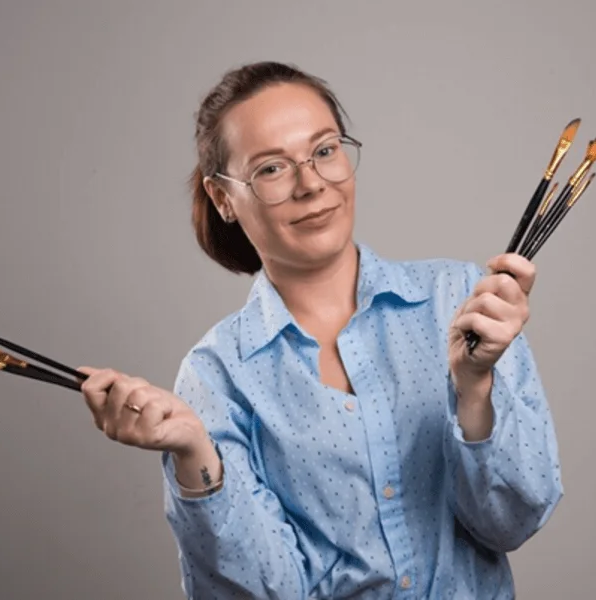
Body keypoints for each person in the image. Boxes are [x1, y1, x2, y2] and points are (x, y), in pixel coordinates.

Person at [76, 61, 563, 599]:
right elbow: (264, 591)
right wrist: (195, 455)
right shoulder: (218, 374)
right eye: (271, 169)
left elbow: (512, 522)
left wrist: (474, 389)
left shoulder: (463, 301)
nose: (311, 185)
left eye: (325, 150)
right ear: (222, 198)